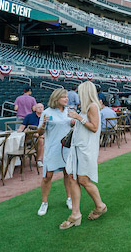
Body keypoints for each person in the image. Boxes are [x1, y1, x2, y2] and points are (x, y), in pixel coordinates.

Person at [60, 81, 107, 230]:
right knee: (73, 177)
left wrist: (79, 118)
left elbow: (94, 128)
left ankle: (100, 206)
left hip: (86, 149)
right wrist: (77, 122)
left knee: (84, 180)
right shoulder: (86, 107)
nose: (78, 94)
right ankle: (75, 214)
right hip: (78, 148)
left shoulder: (92, 106)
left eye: (80, 91)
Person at [37, 88, 73, 216]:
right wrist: (43, 125)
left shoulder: (69, 111)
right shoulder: (46, 112)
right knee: (48, 176)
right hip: (52, 149)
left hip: (66, 149)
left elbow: (72, 125)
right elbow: (40, 132)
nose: (66, 99)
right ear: (56, 98)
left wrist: (75, 121)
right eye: (64, 97)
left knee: (68, 174)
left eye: (67, 97)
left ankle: (69, 198)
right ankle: (44, 202)